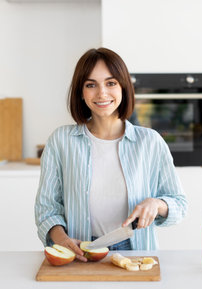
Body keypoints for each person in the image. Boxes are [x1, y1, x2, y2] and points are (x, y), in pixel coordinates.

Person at [35, 47, 187, 262]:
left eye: (111, 83)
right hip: (80, 252)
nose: (102, 93)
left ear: (123, 87)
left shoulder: (150, 142)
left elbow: (179, 204)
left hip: (137, 253)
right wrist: (62, 239)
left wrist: (157, 204)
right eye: (91, 85)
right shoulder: (61, 141)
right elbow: (47, 208)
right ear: (81, 92)